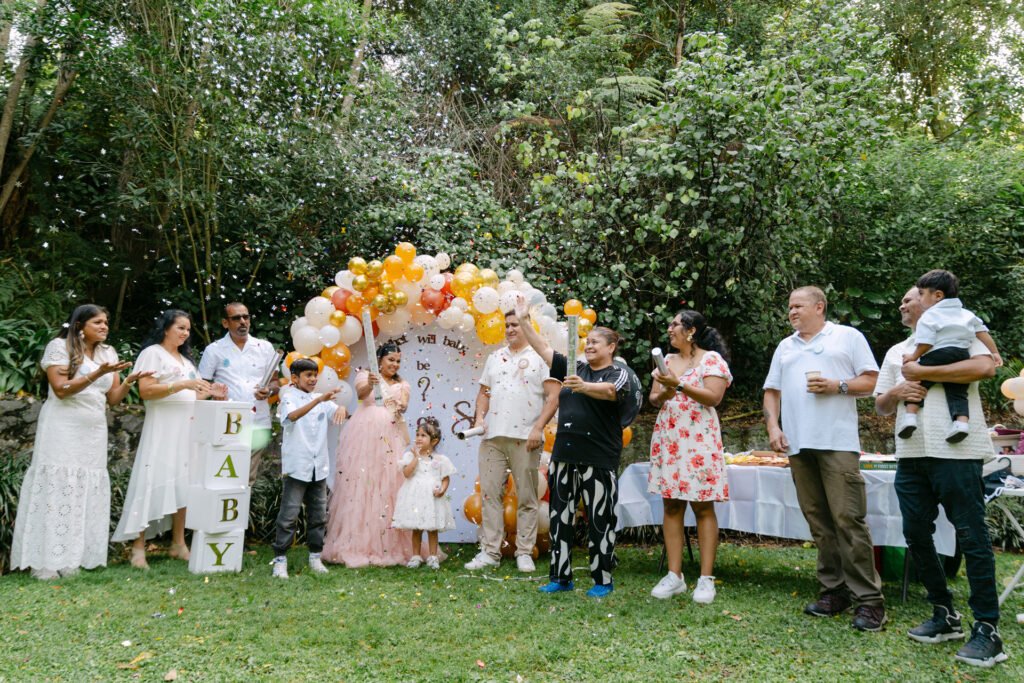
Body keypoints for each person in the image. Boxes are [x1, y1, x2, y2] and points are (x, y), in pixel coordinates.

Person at [875, 286, 1006, 668]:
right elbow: (882, 405)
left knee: (971, 534)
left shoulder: (962, 335)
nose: (902, 304)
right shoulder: (897, 351)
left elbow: (984, 368)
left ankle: (988, 629)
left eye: (908, 299)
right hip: (911, 453)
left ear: (931, 301)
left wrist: (922, 371)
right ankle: (944, 613)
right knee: (915, 533)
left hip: (957, 452)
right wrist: (900, 388)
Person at [762, 286, 886, 631]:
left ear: (820, 306)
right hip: (798, 446)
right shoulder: (785, 347)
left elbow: (872, 381)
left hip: (837, 442)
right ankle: (834, 591)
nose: (792, 312)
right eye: (789, 307)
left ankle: (870, 601)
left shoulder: (847, 337)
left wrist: (838, 386)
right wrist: (774, 427)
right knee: (819, 521)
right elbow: (772, 392)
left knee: (848, 519)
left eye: (798, 306)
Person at [10, 305, 150, 579]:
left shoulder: (108, 353)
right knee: (57, 487)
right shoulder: (59, 347)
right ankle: (46, 563)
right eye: (97, 322)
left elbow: (112, 398)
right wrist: (97, 374)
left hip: (93, 429)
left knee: (83, 488)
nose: (104, 326)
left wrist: (130, 381)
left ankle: (72, 558)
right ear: (79, 326)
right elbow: (61, 390)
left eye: (106, 322)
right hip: (62, 426)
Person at [513, 299, 632, 598]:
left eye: (595, 342)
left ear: (611, 347)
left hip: (599, 460)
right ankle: (560, 577)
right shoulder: (572, 367)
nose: (589, 346)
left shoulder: (618, 373)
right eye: (587, 342)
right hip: (565, 458)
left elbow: (610, 392)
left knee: (600, 521)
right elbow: (541, 347)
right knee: (560, 520)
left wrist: (583, 387)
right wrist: (524, 319)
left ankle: (602, 580)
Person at [112, 310, 214, 569]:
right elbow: (146, 391)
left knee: (184, 484)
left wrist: (212, 393)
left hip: (185, 429)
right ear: (166, 328)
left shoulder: (186, 361)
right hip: (162, 429)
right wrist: (181, 386)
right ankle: (137, 547)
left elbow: (193, 397)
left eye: (188, 329)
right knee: (151, 480)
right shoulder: (152, 353)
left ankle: (178, 544)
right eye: (180, 327)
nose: (185, 333)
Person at [464, 309, 560, 573]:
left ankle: (525, 552)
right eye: (507, 325)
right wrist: (479, 418)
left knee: (527, 496)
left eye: (515, 325)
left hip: (525, 438)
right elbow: (484, 392)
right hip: (492, 436)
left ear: (527, 327)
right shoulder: (495, 357)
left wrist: (538, 428)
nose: (510, 329)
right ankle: (490, 551)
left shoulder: (542, 357)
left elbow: (553, 397)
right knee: (490, 495)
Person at [648, 310, 732, 604]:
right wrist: (665, 394)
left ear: (691, 330)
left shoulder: (712, 360)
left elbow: (713, 397)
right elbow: (654, 398)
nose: (669, 329)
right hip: (670, 436)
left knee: (702, 506)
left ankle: (706, 579)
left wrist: (679, 385)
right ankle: (675, 576)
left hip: (698, 437)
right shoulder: (667, 362)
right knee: (671, 505)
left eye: (674, 324)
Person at [322, 342, 413, 566]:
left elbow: (403, 406)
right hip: (365, 436)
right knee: (363, 483)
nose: (395, 364)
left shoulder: (403, 384)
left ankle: (388, 544)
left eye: (398, 361)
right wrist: (371, 384)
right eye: (391, 359)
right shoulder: (366, 376)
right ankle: (357, 543)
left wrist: (400, 406)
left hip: (391, 436)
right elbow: (362, 396)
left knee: (389, 483)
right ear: (380, 360)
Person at [897, 270, 1002, 444]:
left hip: (938, 353)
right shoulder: (966, 313)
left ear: (938, 295)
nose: (920, 299)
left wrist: (913, 357)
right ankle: (961, 424)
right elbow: (982, 332)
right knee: (958, 391)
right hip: (961, 354)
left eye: (921, 294)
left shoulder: (929, 315)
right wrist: (995, 352)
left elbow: (926, 343)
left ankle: (910, 417)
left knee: (917, 383)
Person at [270, 358, 346, 579]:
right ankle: (280, 559)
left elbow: (338, 413)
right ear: (295, 378)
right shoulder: (288, 398)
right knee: (289, 515)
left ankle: (315, 556)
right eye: (308, 375)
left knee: (319, 515)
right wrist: (319, 400)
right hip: (298, 466)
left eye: (315, 376)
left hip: (318, 466)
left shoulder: (320, 399)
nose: (313, 380)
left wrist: (340, 406)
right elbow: (292, 417)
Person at [199, 302, 281, 482]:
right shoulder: (214, 350)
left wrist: (268, 390)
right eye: (236, 318)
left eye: (246, 317)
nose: (243, 321)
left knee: (248, 478)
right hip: (226, 423)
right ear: (225, 323)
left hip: (258, 421)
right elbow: (202, 385)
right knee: (223, 477)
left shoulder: (264, 347)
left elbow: (276, 382)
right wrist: (214, 391)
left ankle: (242, 511)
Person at [393, 417, 456, 570]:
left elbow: (445, 478)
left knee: (432, 528)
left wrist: (442, 489)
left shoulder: (440, 459)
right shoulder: (410, 456)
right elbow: (407, 474)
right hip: (415, 497)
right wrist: (416, 457)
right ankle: (416, 556)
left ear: (434, 441)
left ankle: (433, 556)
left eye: (423, 435)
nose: (419, 438)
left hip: (432, 499)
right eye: (418, 434)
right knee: (416, 527)